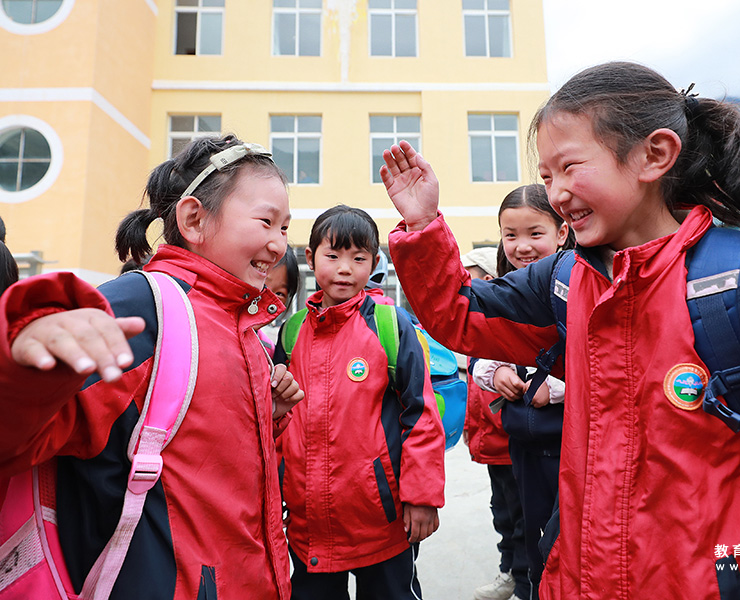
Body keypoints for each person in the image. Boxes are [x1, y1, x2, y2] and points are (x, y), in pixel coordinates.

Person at [380, 62, 740, 599]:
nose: (556, 194)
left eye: (570, 167)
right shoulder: (565, 280)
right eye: (546, 177)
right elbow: (462, 314)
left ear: (654, 155)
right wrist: (421, 226)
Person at [0, 135, 302, 599]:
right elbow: (18, 436)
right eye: (267, 221)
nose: (279, 244)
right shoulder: (145, 309)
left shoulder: (241, 325)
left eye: (285, 227)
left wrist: (268, 415)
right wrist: (23, 368)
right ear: (193, 219)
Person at [275, 204, 445, 600]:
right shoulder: (292, 333)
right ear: (310, 257)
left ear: (374, 263)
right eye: (333, 256)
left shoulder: (390, 325)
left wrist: (422, 497)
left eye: (358, 258)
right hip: (308, 523)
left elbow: (421, 414)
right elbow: (277, 421)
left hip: (382, 520)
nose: (345, 269)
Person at [470, 185, 572, 600]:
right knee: (528, 536)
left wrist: (557, 388)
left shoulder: (578, 284)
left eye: (535, 233)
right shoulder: (504, 287)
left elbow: (603, 364)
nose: (522, 246)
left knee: (568, 542)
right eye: (510, 235)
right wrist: (494, 373)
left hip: (569, 445)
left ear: (562, 233)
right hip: (522, 444)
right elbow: (479, 351)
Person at [461, 245, 528, 600]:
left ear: (487, 280)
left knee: (521, 519)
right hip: (492, 448)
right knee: (503, 514)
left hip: (511, 444)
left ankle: (523, 580)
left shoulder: (506, 322)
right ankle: (510, 573)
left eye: (468, 278)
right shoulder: (478, 325)